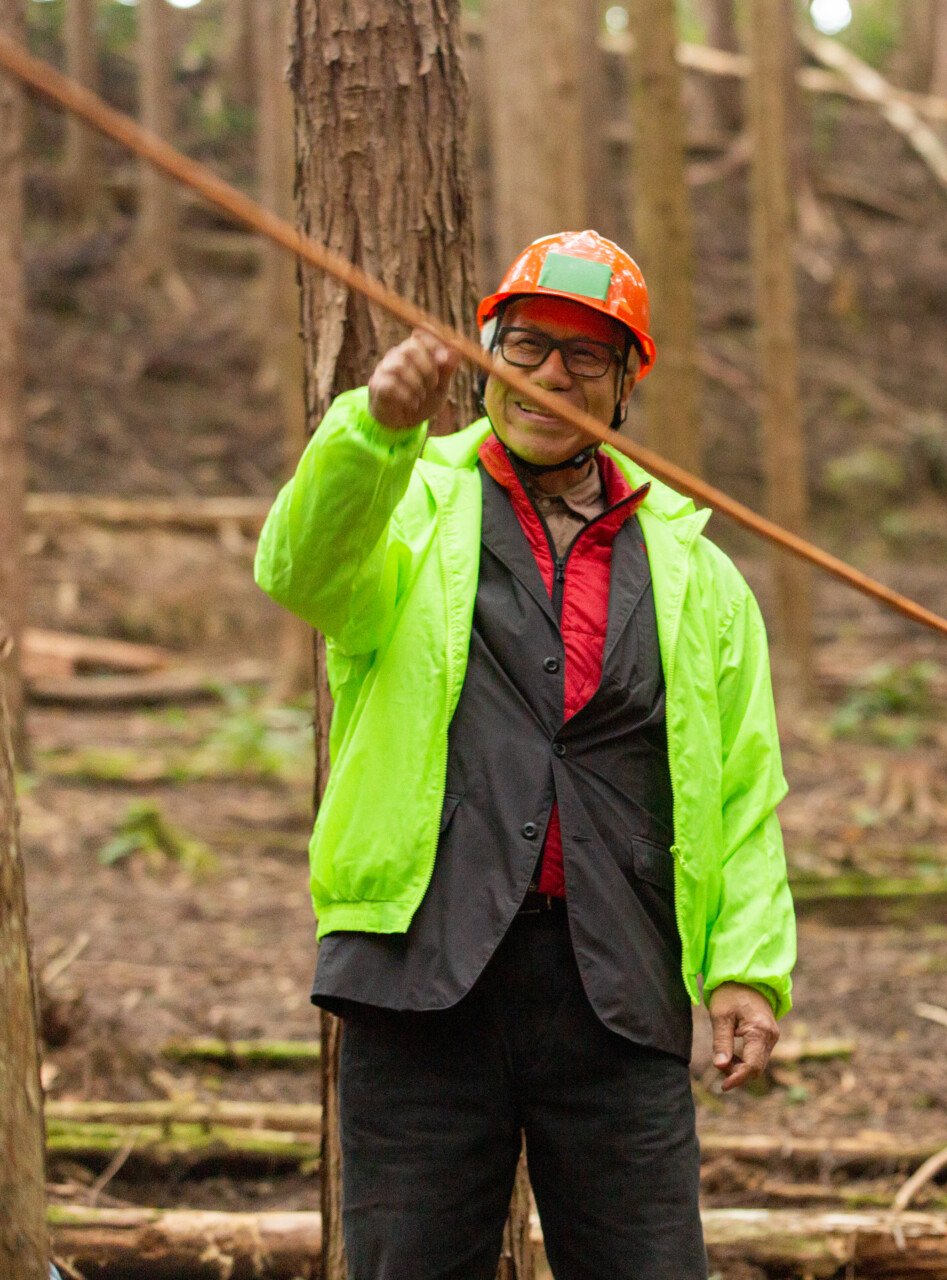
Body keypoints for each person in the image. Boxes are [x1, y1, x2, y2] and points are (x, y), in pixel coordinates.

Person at [256, 231, 795, 1280]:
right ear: (489, 354)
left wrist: (747, 968)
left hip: (619, 989)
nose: (551, 374)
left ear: (627, 382)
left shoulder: (699, 571)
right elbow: (301, 570)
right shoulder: (406, 499)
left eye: (586, 355)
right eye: (528, 345)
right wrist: (374, 431)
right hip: (417, 979)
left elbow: (741, 786)